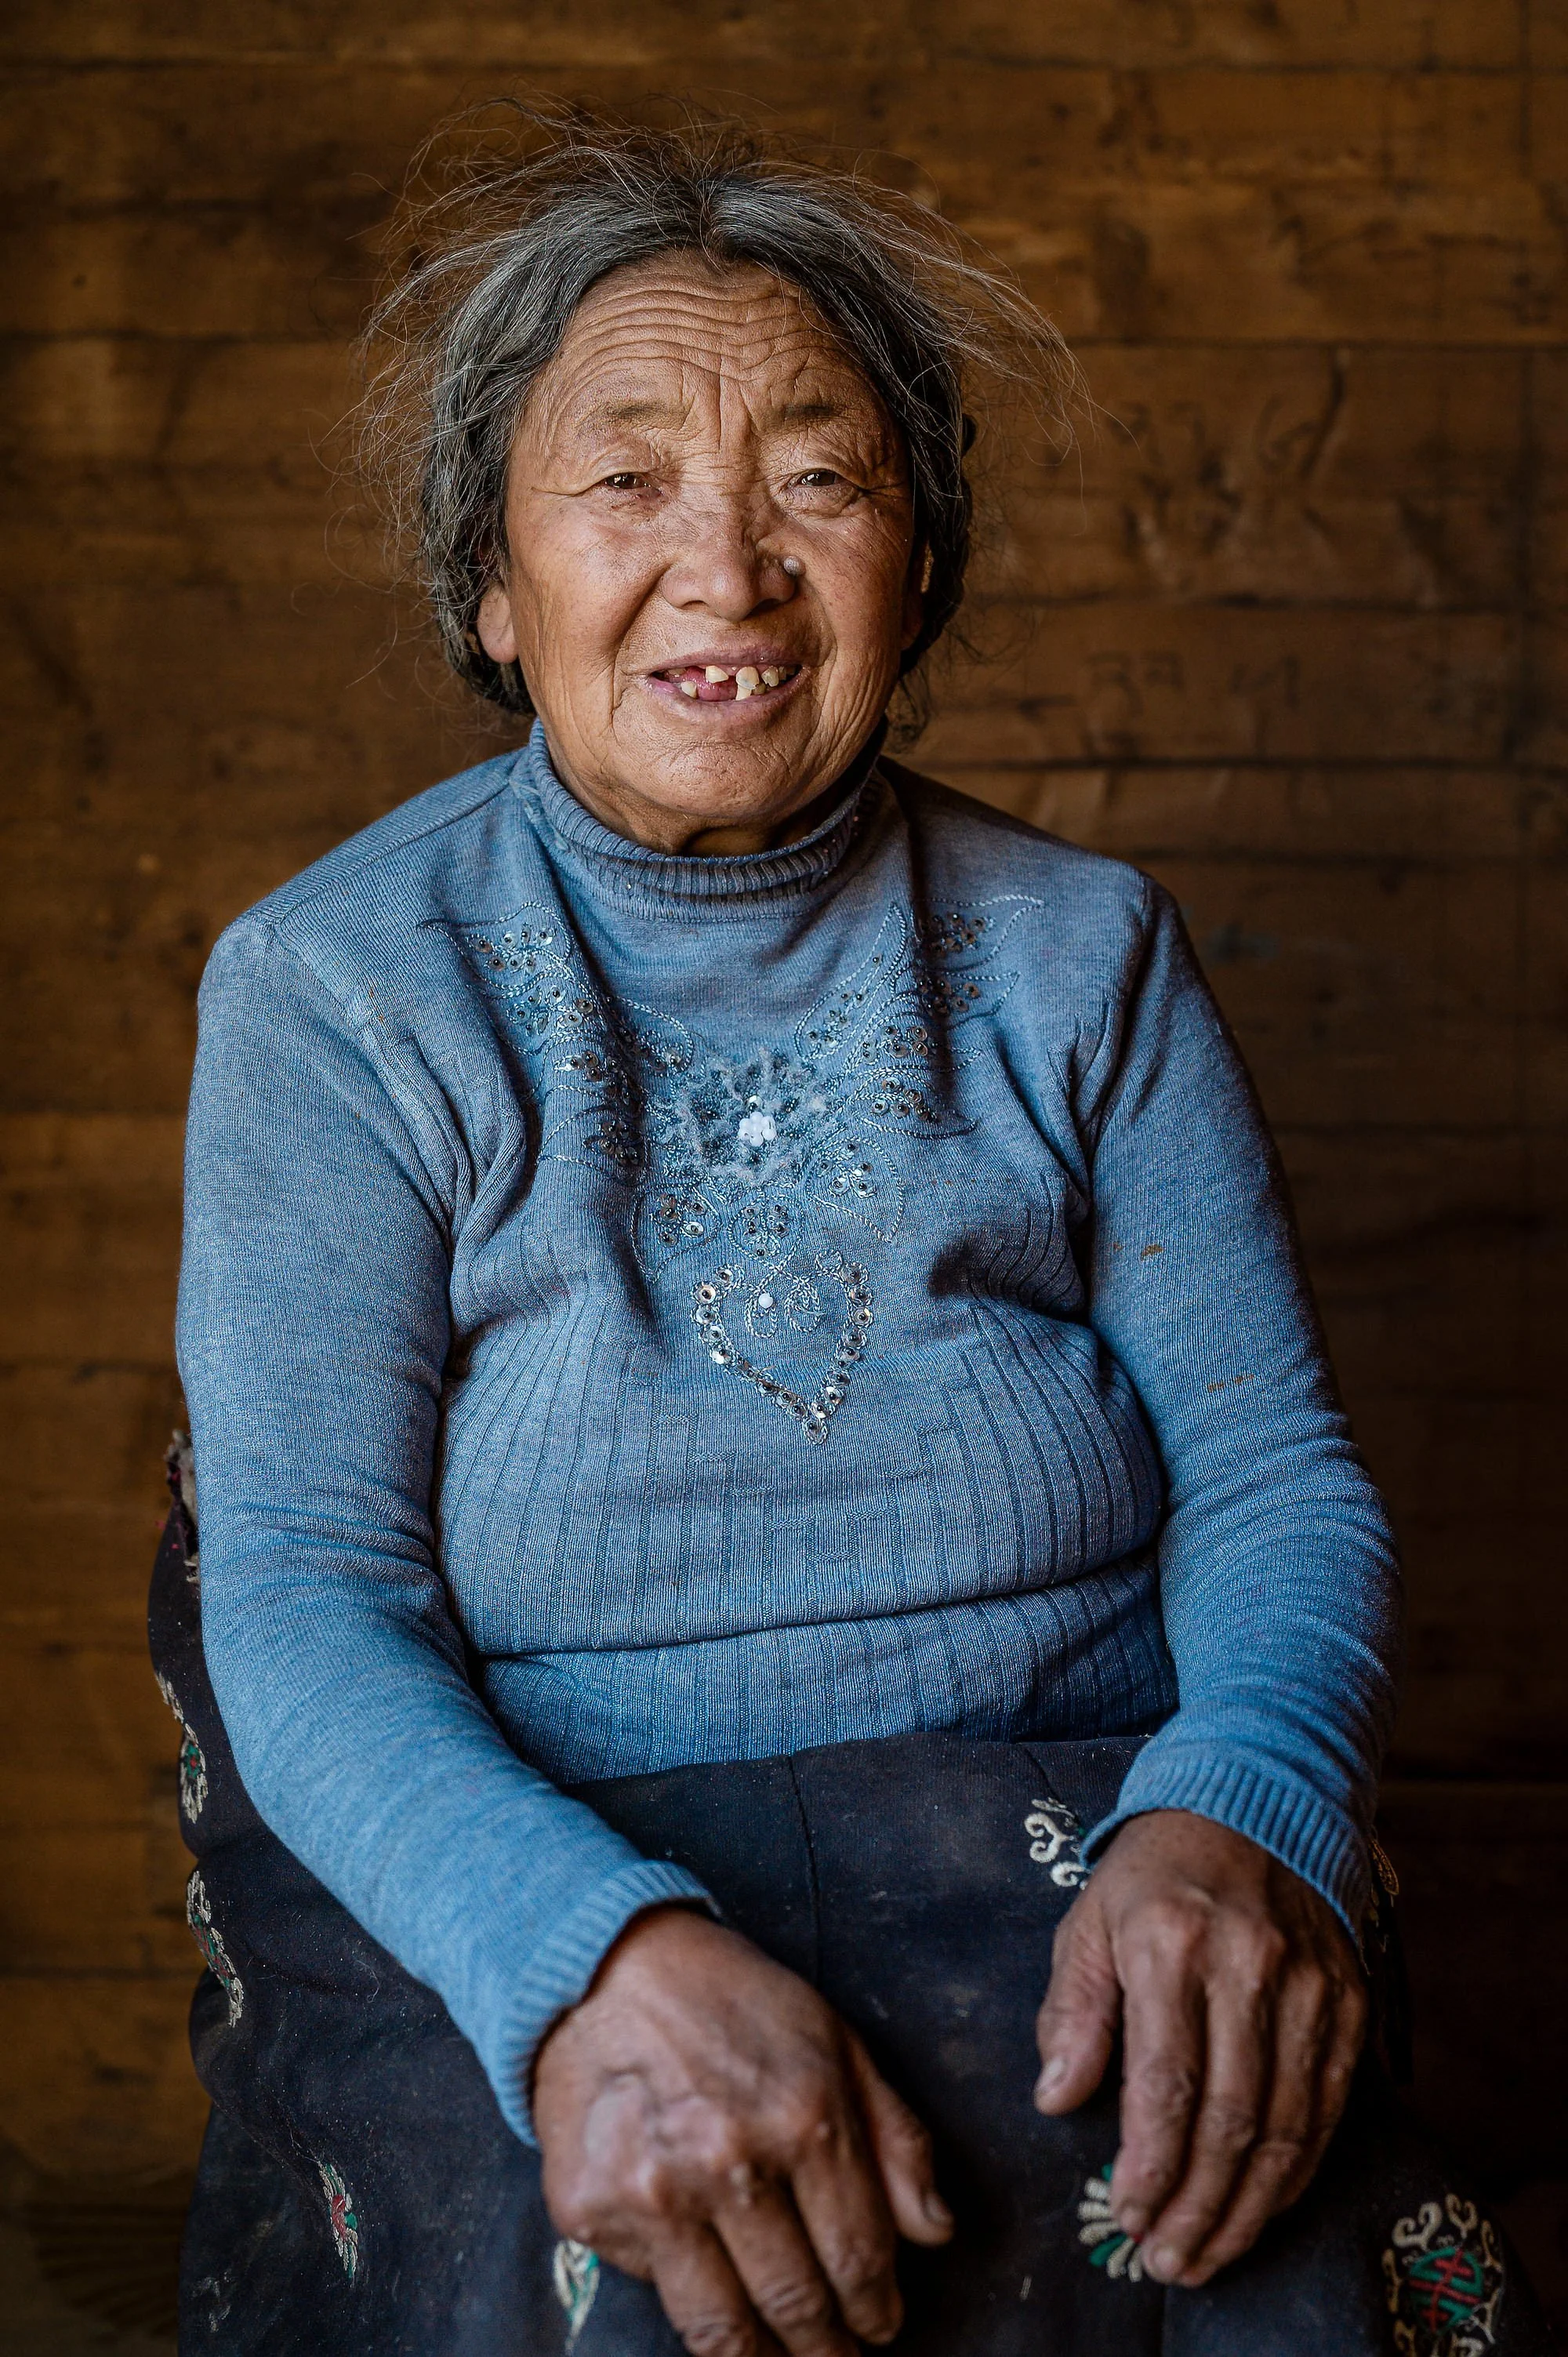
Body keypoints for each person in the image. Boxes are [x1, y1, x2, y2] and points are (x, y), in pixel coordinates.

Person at [162, 107, 1550, 2356]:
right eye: (625, 479)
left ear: (922, 564)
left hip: (1068, 1844)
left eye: (820, 473)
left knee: (1269, 2240)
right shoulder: (339, 988)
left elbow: (1278, 1478)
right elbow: (305, 1602)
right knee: (636, 2281)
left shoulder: (1085, 955)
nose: (728, 566)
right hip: (548, 1840)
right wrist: (585, 1960)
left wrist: (1239, 1808)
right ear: (493, 590)